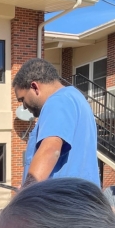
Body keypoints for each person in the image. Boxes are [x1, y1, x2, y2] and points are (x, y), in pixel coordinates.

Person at [13, 58, 99, 187]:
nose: (24, 107)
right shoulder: (76, 98)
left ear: (35, 87)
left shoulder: (57, 101)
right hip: (80, 199)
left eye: (22, 99)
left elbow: (50, 150)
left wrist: (26, 194)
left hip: (63, 201)